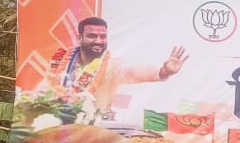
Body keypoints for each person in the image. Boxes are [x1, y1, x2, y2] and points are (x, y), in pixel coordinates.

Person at [43, 16, 187, 121]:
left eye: (103, 36)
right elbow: (44, 92)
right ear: (79, 37)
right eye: (92, 36)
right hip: (58, 127)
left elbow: (136, 72)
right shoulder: (61, 64)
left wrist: (165, 71)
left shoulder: (112, 66)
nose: (99, 41)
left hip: (94, 132)